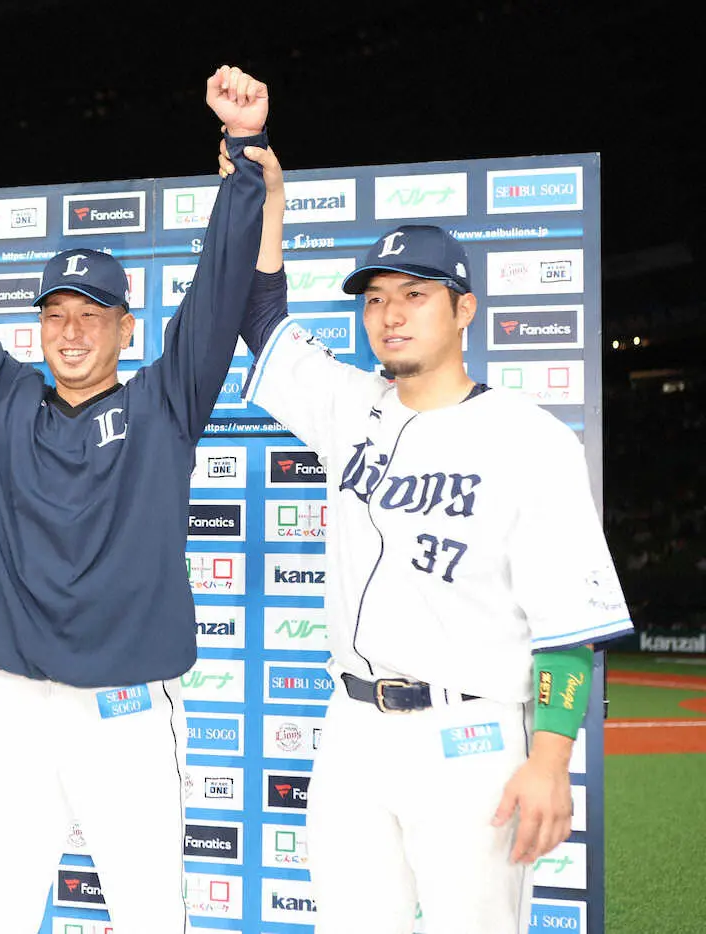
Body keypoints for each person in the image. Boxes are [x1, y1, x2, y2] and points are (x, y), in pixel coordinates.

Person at [0, 66, 269, 933]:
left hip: (126, 715)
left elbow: (215, 296)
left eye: (92, 313)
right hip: (14, 710)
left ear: (127, 327)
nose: (70, 329)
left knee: (145, 917)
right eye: (56, 311)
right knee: (5, 914)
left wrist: (245, 154)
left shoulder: (163, 403)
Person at [217, 141, 633, 934]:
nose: (391, 315)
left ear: (464, 308)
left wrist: (549, 760)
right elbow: (261, 320)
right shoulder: (351, 407)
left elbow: (567, 629)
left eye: (416, 294)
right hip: (351, 731)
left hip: (468, 736)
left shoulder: (532, 440)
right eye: (374, 300)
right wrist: (265, 192)